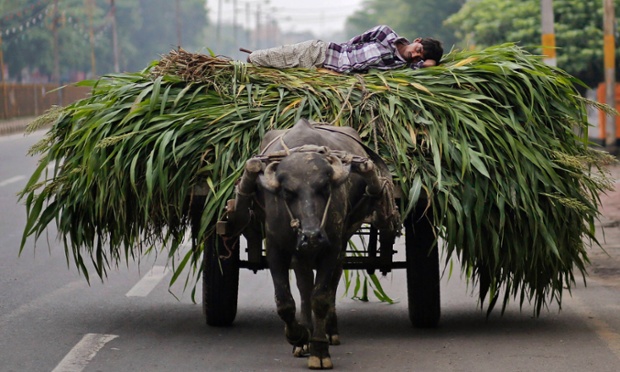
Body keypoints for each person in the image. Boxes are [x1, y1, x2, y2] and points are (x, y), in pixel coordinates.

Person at [246, 25, 443, 73]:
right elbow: (353, 42)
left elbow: (429, 68)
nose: (415, 55)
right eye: (418, 49)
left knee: (280, 74)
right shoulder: (385, 33)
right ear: (416, 40)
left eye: (420, 57)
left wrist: (430, 61)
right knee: (264, 59)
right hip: (323, 53)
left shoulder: (404, 68)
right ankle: (241, 67)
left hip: (328, 75)